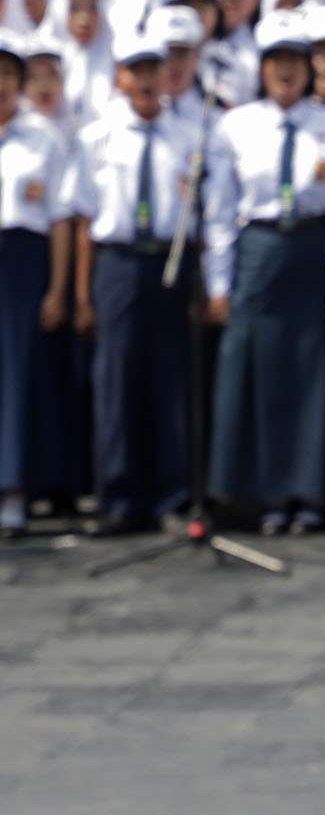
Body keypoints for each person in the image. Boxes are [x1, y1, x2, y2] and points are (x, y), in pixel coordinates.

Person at [202, 11, 325, 536]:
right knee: (260, 374)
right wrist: (219, 281)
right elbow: (221, 209)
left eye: (295, 61)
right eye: (277, 62)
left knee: (310, 374)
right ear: (263, 68)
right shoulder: (237, 125)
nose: (286, 72)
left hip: (311, 250)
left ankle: (309, 493)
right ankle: (267, 495)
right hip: (260, 248)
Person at [66, 29, 202, 535]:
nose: (145, 81)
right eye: (135, 71)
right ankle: (119, 497)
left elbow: (201, 217)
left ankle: (171, 495)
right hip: (118, 263)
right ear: (120, 76)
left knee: (169, 381)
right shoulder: (97, 137)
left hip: (169, 260)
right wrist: (83, 293)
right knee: (116, 381)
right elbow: (83, 219)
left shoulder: (187, 137)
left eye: (153, 71)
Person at [0, 39, 73, 538]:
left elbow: (62, 218)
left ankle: (13, 489)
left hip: (24, 259)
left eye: (7, 74)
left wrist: (58, 288)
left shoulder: (42, 137)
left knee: (17, 377)